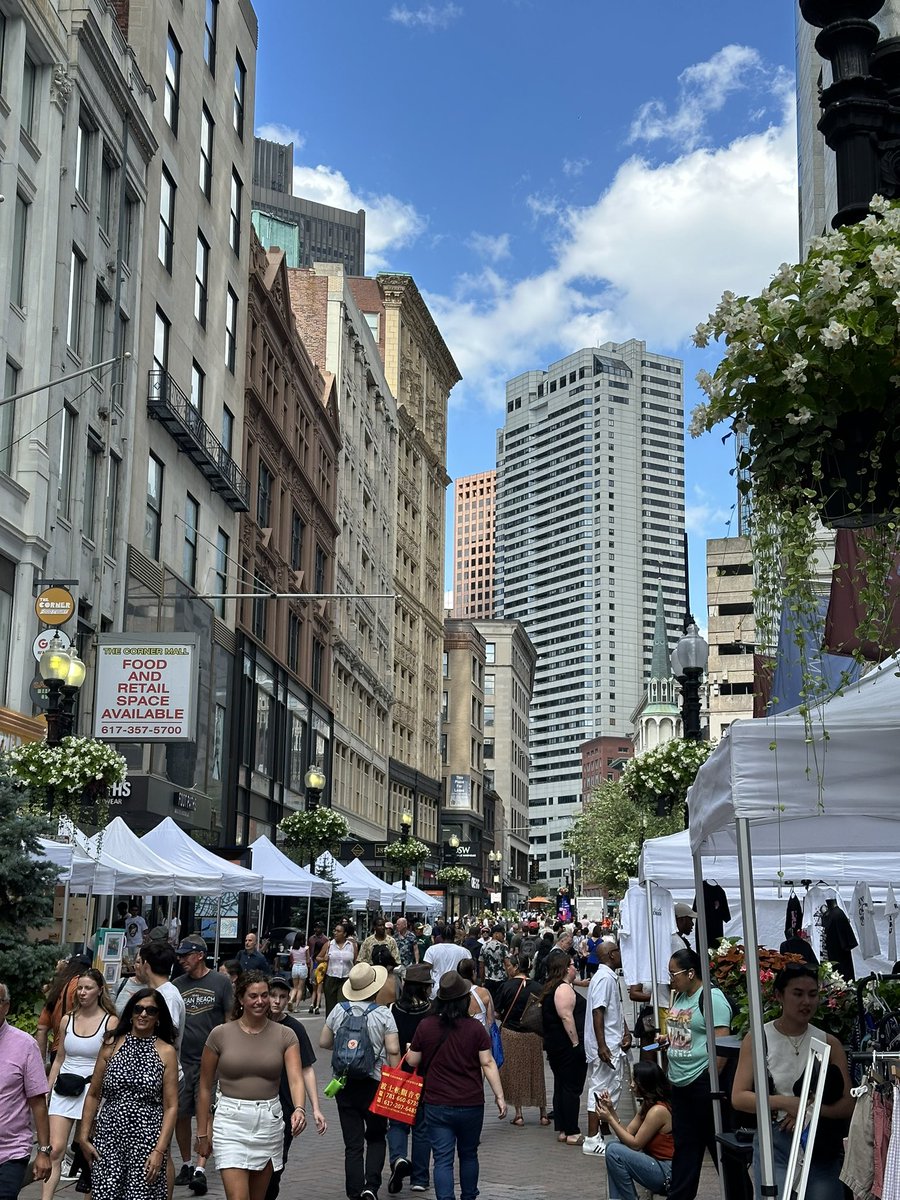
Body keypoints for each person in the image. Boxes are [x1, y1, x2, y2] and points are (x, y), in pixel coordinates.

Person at [731, 963, 853, 1200]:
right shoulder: (758, 1038)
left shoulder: (829, 1043)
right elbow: (739, 1097)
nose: (806, 1002)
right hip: (775, 1140)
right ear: (779, 995)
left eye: (812, 994)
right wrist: (787, 1103)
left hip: (818, 1143)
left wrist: (809, 1110)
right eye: (797, 994)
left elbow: (848, 1104)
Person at [197, 971, 306, 1200]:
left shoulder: (286, 1035)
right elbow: (205, 1087)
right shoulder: (220, 1034)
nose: (260, 1001)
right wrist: (202, 1133)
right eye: (253, 996)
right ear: (240, 998)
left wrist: (299, 1108)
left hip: (268, 1121)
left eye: (265, 995)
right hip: (230, 1122)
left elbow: (296, 1078)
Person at [406, 972, 506, 1200]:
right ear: (464, 1000)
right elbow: (487, 1062)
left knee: (442, 1158)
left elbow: (412, 1060)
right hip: (470, 1102)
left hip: (436, 1102)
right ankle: (469, 1196)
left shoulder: (426, 1026)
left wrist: (411, 1048)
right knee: (469, 1154)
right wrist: (499, 1096)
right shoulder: (475, 1028)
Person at [80, 988, 179, 1200]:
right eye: (138, 1009)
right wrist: (83, 1136)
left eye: (151, 1011)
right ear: (130, 1012)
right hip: (109, 1136)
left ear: (158, 1017)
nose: (143, 1014)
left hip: (147, 1138)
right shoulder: (111, 1044)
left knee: (141, 1195)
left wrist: (159, 1150)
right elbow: (94, 1094)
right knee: (105, 1194)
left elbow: (171, 1106)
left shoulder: (166, 1052)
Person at [319, 962, 401, 1200]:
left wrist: (346, 1052)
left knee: (353, 1144)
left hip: (344, 1083)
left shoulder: (338, 1010)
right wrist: (394, 1078)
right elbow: (393, 1050)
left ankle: (354, 1192)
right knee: (376, 1136)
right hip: (374, 1082)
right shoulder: (383, 1014)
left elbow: (324, 1042)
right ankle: (370, 1187)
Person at [663, 947, 732, 1200]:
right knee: (685, 1148)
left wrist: (709, 1080)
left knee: (718, 1148)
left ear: (691, 973)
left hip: (702, 1084)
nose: (671, 979)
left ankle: (738, 1193)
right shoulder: (681, 997)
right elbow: (687, 1030)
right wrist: (669, 1039)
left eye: (674, 974)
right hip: (680, 1083)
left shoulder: (711, 998)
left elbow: (722, 1044)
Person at [43, 968, 118, 1200]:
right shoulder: (68, 1019)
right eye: (80, 988)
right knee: (55, 1149)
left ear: (100, 990)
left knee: (89, 1151)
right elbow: (60, 1058)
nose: (82, 993)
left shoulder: (110, 1021)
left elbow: (110, 1061)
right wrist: (47, 1088)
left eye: (88, 988)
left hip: (92, 1090)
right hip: (64, 1087)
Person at [173, 934, 233, 1194]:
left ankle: (200, 1167)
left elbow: (229, 1019)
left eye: (186, 955)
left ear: (200, 955)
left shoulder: (221, 982)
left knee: (205, 1112)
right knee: (180, 1112)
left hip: (211, 1060)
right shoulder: (176, 985)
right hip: (182, 1060)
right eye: (180, 955)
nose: (181, 960)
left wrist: (228, 1054)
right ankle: (186, 1163)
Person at [264, 976, 326, 1200]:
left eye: (282, 997)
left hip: (285, 1107)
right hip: (257, 1104)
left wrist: (315, 1108)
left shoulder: (294, 1028)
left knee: (277, 1165)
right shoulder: (255, 1023)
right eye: (273, 995)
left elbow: (306, 1068)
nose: (277, 1001)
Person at [0, 980, 52, 1197]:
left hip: (10, 1153)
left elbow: (38, 1102)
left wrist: (43, 1151)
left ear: (6, 1006)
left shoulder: (25, 1045)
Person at [596, 1061, 675, 1200]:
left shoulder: (658, 1111)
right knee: (613, 1146)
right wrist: (611, 1110)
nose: (631, 1085)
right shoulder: (648, 1104)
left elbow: (635, 1144)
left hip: (666, 1172)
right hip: (656, 1164)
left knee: (614, 1151)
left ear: (646, 1084)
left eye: (635, 1081)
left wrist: (610, 1119)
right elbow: (627, 1133)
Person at [386, 963, 433, 1195]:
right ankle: (420, 1178)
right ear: (425, 987)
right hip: (425, 1076)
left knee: (397, 1122)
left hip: (400, 1074)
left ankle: (398, 1159)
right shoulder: (432, 1012)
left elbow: (390, 1047)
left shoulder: (392, 1009)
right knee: (422, 1128)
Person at [582, 940, 630, 1156]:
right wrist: (602, 1045)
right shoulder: (604, 978)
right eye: (618, 951)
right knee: (601, 1089)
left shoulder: (608, 977)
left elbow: (614, 1010)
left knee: (609, 1089)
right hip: (606, 1046)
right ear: (612, 955)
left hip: (611, 1042)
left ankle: (604, 1132)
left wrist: (625, 1031)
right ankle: (592, 1139)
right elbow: (598, 1011)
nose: (621, 954)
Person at [494, 955, 548, 1127]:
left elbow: (497, 1012)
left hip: (512, 1033)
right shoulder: (538, 987)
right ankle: (543, 1113)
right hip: (533, 1034)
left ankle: (519, 1114)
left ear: (516, 967)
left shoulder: (506, 986)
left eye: (509, 966)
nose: (507, 969)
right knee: (536, 1072)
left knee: (515, 1072)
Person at [540, 949, 588, 1145]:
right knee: (571, 1087)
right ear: (565, 968)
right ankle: (571, 1131)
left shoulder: (553, 987)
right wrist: (576, 1043)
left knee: (561, 1085)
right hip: (566, 1046)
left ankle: (562, 1128)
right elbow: (566, 1017)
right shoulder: (563, 989)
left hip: (556, 1046)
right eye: (572, 965)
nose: (575, 968)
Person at [36, 956, 88, 1068]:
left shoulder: (57, 989)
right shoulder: (79, 985)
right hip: (75, 1052)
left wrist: (40, 1065)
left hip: (56, 1051)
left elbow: (42, 1028)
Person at [318, 922, 359, 1016]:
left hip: (346, 979)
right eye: (335, 931)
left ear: (344, 934)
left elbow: (356, 961)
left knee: (343, 1006)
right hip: (331, 979)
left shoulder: (352, 946)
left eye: (338, 931)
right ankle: (330, 1024)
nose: (335, 933)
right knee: (331, 1007)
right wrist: (323, 959)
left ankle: (342, 1024)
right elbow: (318, 957)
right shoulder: (329, 944)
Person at [423, 930, 472, 999]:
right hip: (457, 989)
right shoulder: (464, 951)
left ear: (441, 937)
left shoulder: (432, 949)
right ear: (454, 937)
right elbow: (469, 969)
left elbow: (426, 969)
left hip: (436, 989)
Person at [457, 957, 495, 1027]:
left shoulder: (454, 993)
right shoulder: (484, 992)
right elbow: (491, 1021)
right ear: (473, 972)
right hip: (480, 1032)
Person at [479, 926, 512, 1000]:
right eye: (503, 934)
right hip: (501, 980)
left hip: (488, 979)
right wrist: (510, 978)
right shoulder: (503, 947)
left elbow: (481, 965)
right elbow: (507, 964)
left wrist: (482, 980)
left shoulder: (484, 946)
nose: (504, 936)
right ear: (496, 934)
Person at [288, 934, 311, 1010]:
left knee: (295, 987)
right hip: (303, 967)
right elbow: (308, 960)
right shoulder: (306, 948)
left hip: (295, 967)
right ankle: (296, 1006)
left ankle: (291, 1000)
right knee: (300, 988)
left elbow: (291, 958)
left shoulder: (292, 948)